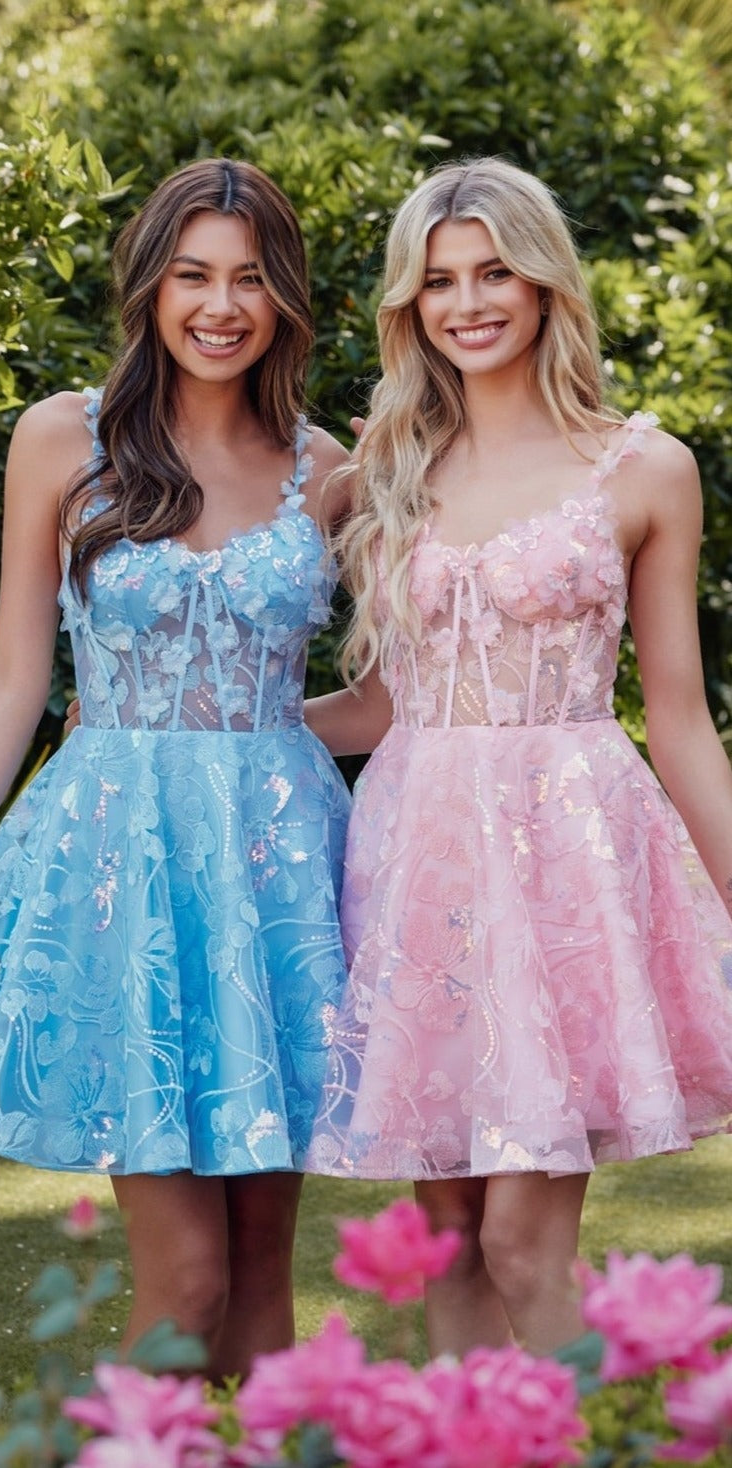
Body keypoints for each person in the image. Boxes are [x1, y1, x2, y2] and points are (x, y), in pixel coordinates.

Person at [0, 157, 353, 1379]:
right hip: (123, 874)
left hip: (279, 884)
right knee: (183, 1281)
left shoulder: (329, 467)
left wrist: (257, 734)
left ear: (284, 297)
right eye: (192, 274)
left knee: (257, 1287)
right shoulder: (60, 439)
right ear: (149, 284)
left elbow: (390, 697)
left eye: (249, 278)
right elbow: (14, 679)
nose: (220, 305)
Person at [302, 156, 732, 1359]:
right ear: (410, 304)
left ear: (544, 283)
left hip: (564, 871)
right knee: (445, 1240)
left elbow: (680, 716)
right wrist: (236, 723)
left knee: (522, 1246)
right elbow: (382, 708)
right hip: (418, 870)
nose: (466, 300)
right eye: (437, 280)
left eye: (493, 270)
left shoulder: (640, 468)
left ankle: (637, 1438)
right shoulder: (384, 471)